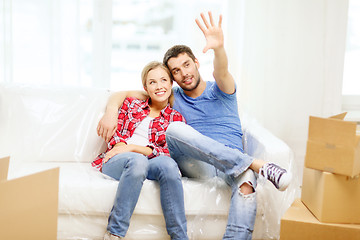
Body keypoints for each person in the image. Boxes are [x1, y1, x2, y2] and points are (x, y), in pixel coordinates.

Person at [97, 12, 292, 240]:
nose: (184, 73)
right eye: (176, 71)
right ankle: (258, 165)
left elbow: (222, 71)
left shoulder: (222, 90)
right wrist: (111, 111)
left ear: (197, 63)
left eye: (187, 65)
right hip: (198, 164)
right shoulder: (171, 95)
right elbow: (128, 93)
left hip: (232, 161)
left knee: (247, 183)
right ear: (172, 78)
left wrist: (219, 49)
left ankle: (247, 173)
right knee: (175, 130)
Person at [92, 61, 189, 240]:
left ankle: (180, 237)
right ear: (145, 87)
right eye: (152, 82)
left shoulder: (176, 119)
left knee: (168, 164)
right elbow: (116, 134)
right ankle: (114, 234)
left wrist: (134, 148)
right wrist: (123, 147)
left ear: (171, 84)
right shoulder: (132, 105)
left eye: (163, 80)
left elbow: (167, 152)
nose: (159, 86)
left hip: (149, 161)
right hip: (119, 159)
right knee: (137, 161)